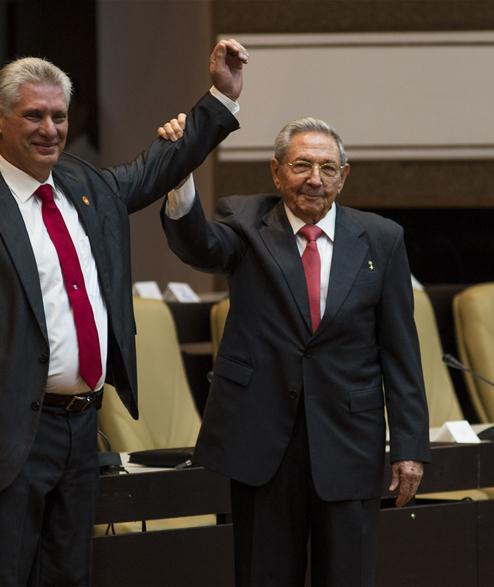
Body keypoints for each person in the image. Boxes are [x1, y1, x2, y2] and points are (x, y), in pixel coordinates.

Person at [0, 40, 248, 586]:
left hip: (81, 427)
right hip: (3, 437)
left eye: (59, 116)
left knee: (70, 578)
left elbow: (158, 167)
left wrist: (220, 98)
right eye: (33, 115)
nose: (50, 129)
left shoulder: (86, 187)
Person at [159, 115, 430, 586]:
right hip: (265, 443)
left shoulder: (383, 240)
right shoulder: (246, 223)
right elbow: (198, 244)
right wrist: (180, 174)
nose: (314, 179)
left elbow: (401, 352)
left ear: (344, 177)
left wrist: (409, 446)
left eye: (327, 168)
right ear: (276, 172)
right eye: (302, 165)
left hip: (349, 441)